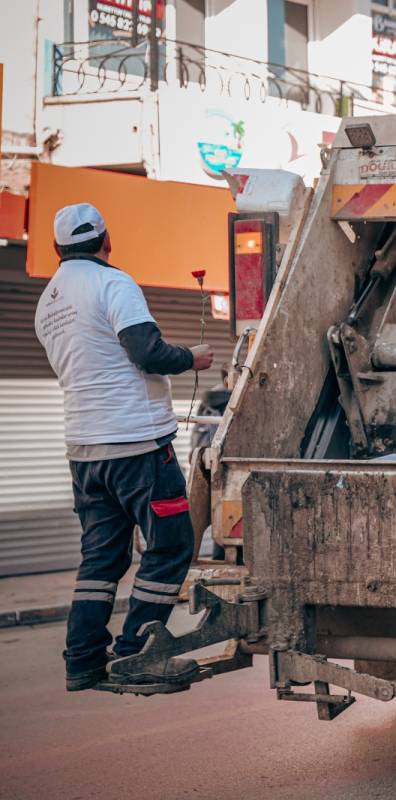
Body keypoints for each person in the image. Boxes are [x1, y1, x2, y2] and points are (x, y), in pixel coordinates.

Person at [34, 203, 214, 692]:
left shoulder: (48, 302)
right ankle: (137, 652)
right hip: (136, 446)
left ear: (56, 249)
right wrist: (191, 358)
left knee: (101, 559)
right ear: (106, 240)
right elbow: (146, 352)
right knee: (171, 544)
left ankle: (83, 661)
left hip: (84, 451)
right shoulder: (113, 284)